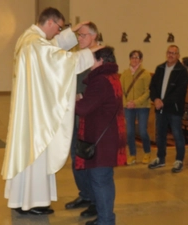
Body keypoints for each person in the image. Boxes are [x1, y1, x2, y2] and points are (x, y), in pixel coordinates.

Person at [1, 7, 100, 215]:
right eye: (58, 27)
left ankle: (21, 200)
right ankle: (34, 202)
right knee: (36, 153)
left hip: (29, 110)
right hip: (35, 115)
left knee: (26, 155)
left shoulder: (28, 39)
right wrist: (89, 54)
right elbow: (57, 60)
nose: (57, 32)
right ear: (50, 23)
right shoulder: (35, 44)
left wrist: (71, 32)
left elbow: (51, 47)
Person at [74, 46, 126, 225]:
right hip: (106, 138)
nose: (89, 63)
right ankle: (105, 218)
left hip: (101, 141)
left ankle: (106, 221)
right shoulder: (110, 77)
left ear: (101, 61)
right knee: (104, 180)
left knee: (100, 181)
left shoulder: (100, 80)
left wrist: (73, 99)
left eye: (92, 59)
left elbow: (83, 108)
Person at [64, 22, 100, 219]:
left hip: (91, 118)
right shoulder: (78, 57)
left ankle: (95, 201)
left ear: (94, 36)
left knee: (89, 161)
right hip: (75, 117)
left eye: (83, 35)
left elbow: (101, 84)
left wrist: (82, 95)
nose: (79, 39)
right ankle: (85, 194)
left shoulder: (100, 56)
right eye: (78, 36)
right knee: (76, 159)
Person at [148, 45, 188, 173]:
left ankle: (179, 160)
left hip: (174, 108)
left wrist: (163, 102)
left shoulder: (182, 71)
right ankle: (160, 158)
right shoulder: (160, 68)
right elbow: (153, 86)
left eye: (174, 53)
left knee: (177, 134)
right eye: (169, 52)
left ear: (178, 55)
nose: (171, 55)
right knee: (160, 134)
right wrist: (155, 99)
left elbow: (179, 92)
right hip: (160, 107)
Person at [120, 50, 152, 165]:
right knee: (130, 132)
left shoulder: (145, 74)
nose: (134, 59)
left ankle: (147, 152)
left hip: (143, 106)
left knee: (142, 131)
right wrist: (126, 103)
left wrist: (136, 102)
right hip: (128, 106)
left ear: (141, 60)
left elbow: (148, 92)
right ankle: (132, 154)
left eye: (137, 57)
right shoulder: (125, 74)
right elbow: (121, 90)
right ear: (129, 59)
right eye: (132, 57)